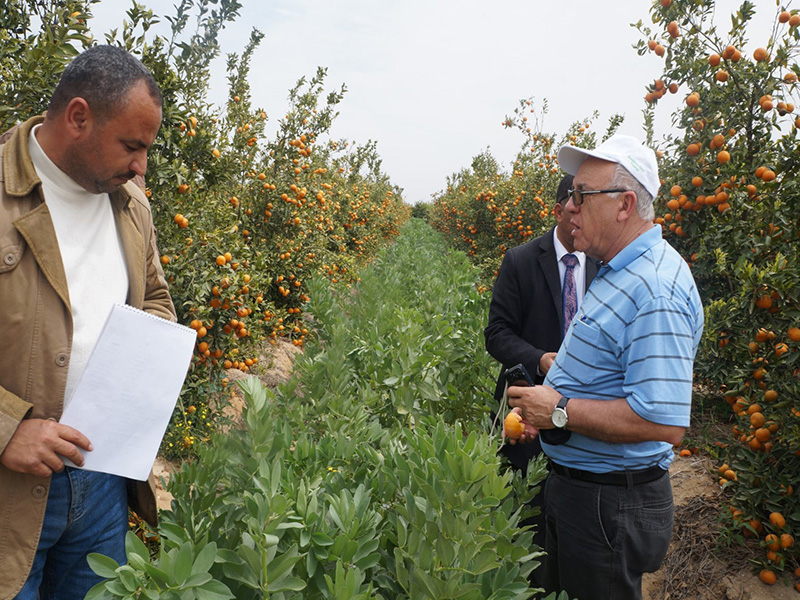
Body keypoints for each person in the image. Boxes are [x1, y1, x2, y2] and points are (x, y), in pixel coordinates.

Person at [0, 45, 175, 599]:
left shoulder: (131, 205)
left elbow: (157, 302)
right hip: (9, 492)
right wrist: (7, 430)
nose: (140, 167)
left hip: (101, 483)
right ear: (78, 117)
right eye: (132, 146)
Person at [507, 134, 704, 600]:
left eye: (581, 195)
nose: (569, 207)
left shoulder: (654, 290)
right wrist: (546, 413)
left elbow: (662, 421)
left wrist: (558, 411)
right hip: (585, 492)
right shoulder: (618, 268)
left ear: (624, 205)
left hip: (609, 504)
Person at [483, 175, 599, 584]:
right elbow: (496, 333)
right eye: (573, 210)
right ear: (557, 211)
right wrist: (539, 359)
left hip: (582, 411)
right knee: (526, 507)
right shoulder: (520, 260)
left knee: (572, 515)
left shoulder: (605, 265)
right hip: (525, 411)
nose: (580, 218)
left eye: (586, 209)